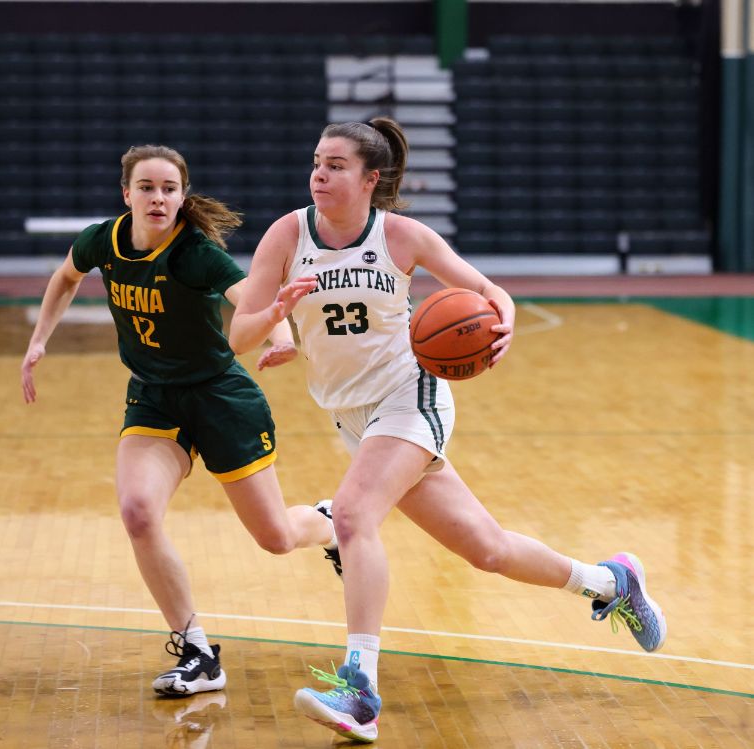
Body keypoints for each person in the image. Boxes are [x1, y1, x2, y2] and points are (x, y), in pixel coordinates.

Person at [229, 119, 667, 742]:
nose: (319, 175)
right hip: (353, 416)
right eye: (317, 163)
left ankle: (360, 691)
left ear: (370, 178)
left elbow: (487, 290)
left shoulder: (402, 236)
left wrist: (504, 322)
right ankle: (611, 581)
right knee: (485, 549)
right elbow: (238, 335)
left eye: (336, 165)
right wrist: (274, 313)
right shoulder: (286, 234)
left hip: (412, 397)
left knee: (351, 515)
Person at [21, 144, 336, 697]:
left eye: (169, 188)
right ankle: (197, 652)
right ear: (127, 194)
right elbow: (66, 277)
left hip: (220, 396)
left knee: (278, 539)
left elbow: (250, 299)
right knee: (138, 512)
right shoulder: (104, 240)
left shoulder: (195, 254)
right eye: (147, 187)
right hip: (154, 396)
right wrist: (39, 340)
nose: (158, 197)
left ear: (182, 196)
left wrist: (282, 335)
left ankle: (330, 523)